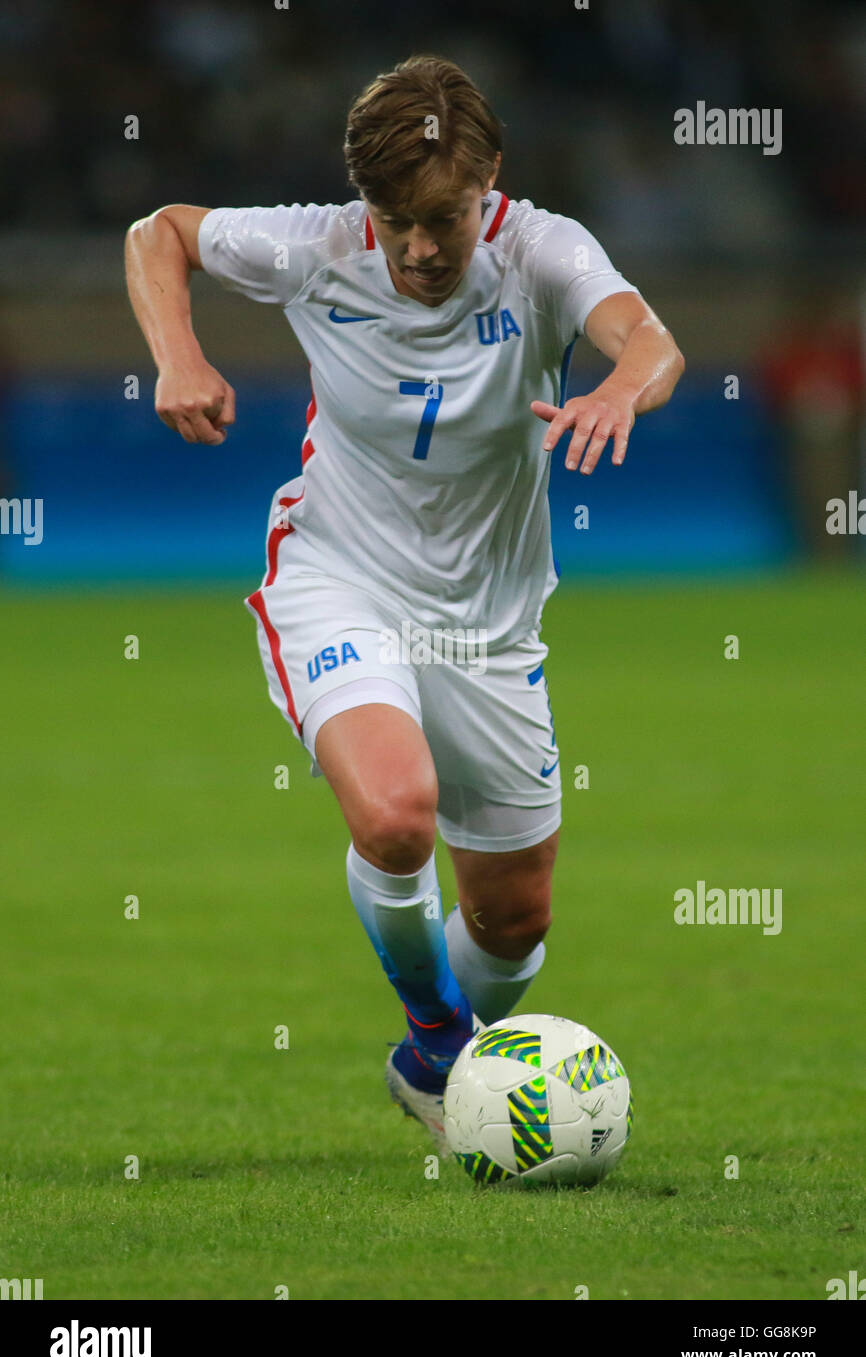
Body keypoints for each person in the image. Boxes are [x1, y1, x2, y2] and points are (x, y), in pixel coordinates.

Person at [125, 55, 684, 1154]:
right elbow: (160, 229)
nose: (420, 247)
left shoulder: (542, 253)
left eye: (444, 219)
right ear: (362, 205)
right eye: (393, 221)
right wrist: (176, 355)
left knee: (514, 924)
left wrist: (620, 384)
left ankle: (437, 1060)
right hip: (340, 575)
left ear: (490, 185)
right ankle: (437, 1033)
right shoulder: (314, 246)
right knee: (392, 812)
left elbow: (650, 339)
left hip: (488, 623)